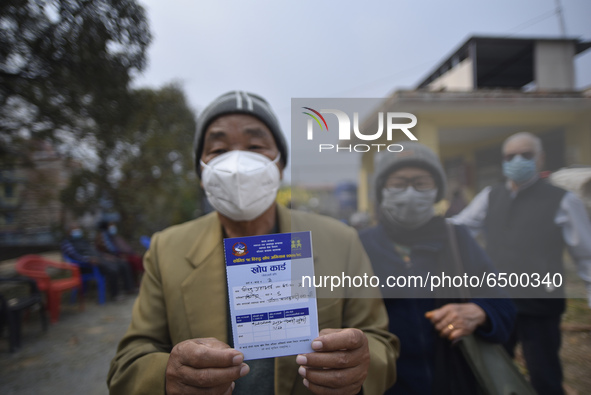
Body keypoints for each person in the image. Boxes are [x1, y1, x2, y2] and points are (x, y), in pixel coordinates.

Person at [107, 91, 399, 395]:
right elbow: (128, 361)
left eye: (256, 146)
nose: (236, 165)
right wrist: (166, 377)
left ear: (279, 166)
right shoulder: (166, 249)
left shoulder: (341, 241)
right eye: (218, 149)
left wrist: (359, 367)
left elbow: (380, 342)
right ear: (201, 172)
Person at [359, 142, 516, 395]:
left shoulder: (458, 239)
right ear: (381, 190)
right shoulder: (359, 246)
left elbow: (503, 305)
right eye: (398, 183)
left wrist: (479, 312)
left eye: (421, 183)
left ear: (436, 190)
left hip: (455, 382)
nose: (410, 192)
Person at [452, 132, 591, 395]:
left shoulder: (562, 200)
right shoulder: (490, 196)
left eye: (525, 155)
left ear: (540, 159)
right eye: (510, 156)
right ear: (503, 161)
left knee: (545, 376)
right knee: (491, 371)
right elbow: (460, 227)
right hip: (497, 304)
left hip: (540, 306)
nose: (517, 161)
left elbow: (586, 255)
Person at [61, 222, 134, 301]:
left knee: (123, 263)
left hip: (99, 258)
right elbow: (74, 256)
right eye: (74, 229)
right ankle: (115, 295)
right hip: (87, 265)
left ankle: (129, 288)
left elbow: (94, 251)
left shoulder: (83, 240)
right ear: (68, 231)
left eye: (77, 229)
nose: (77, 231)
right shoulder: (67, 243)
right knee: (113, 269)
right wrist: (88, 260)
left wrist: (105, 256)